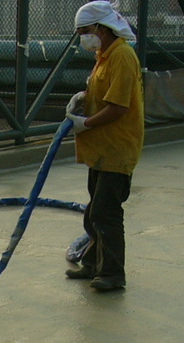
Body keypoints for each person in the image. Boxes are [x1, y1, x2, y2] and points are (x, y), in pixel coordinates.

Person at [65, 1, 144, 292]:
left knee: (105, 213)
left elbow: (119, 107)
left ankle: (112, 274)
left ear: (101, 27)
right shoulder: (105, 55)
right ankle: (92, 264)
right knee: (93, 211)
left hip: (117, 148)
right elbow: (102, 91)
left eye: (85, 31)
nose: (83, 37)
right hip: (101, 149)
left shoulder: (122, 56)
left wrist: (84, 124)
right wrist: (84, 97)